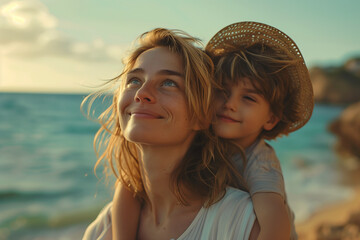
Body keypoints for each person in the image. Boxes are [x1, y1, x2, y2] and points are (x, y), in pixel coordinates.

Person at [82, 28, 259, 240]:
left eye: (169, 83)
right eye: (135, 80)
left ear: (201, 116)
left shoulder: (239, 222)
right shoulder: (106, 225)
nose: (141, 93)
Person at [205, 21, 314, 240]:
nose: (230, 104)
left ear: (271, 119)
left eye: (248, 98)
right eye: (222, 91)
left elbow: (276, 226)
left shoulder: (260, 162)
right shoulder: (200, 141)